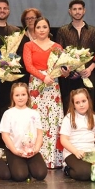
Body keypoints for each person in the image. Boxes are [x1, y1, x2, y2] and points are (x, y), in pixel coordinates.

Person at [23, 17, 67, 169]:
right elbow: (28, 66)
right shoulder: (29, 45)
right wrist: (43, 77)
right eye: (39, 27)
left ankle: (53, 159)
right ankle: (37, 157)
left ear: (49, 29)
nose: (41, 30)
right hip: (36, 85)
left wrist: (64, 72)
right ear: (34, 29)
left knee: (53, 119)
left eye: (44, 27)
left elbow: (62, 68)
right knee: (37, 119)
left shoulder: (57, 46)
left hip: (52, 86)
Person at [55, 0, 95, 112]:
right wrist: (66, 70)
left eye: (80, 9)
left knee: (88, 108)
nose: (77, 12)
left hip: (87, 75)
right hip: (70, 76)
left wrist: (90, 69)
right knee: (69, 108)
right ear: (69, 11)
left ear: (84, 11)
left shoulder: (92, 31)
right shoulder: (63, 30)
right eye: (74, 9)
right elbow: (59, 55)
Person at [0, 83, 48, 181]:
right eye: (17, 95)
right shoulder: (8, 113)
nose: (20, 98)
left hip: (31, 150)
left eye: (23, 94)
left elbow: (39, 134)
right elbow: (5, 135)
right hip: (15, 150)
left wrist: (36, 149)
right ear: (12, 97)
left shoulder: (34, 113)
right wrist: (15, 151)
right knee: (20, 176)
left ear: (28, 96)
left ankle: (29, 167)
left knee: (40, 174)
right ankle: (12, 164)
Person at [60, 88, 95, 181]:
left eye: (83, 101)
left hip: (91, 152)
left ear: (88, 101)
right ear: (74, 105)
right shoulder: (68, 118)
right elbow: (63, 140)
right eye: (77, 102)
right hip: (74, 152)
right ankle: (67, 168)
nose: (81, 105)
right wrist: (75, 151)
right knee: (83, 174)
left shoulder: (94, 118)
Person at [0, 0, 21, 121]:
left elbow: (19, 54)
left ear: (9, 11)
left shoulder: (16, 31)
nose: (2, 11)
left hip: (9, 77)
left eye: (5, 8)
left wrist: (9, 64)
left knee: (8, 110)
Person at [16, 8, 43, 85]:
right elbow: (15, 57)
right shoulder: (19, 38)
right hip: (25, 76)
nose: (30, 20)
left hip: (43, 77)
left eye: (32, 18)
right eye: (27, 19)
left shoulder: (47, 36)